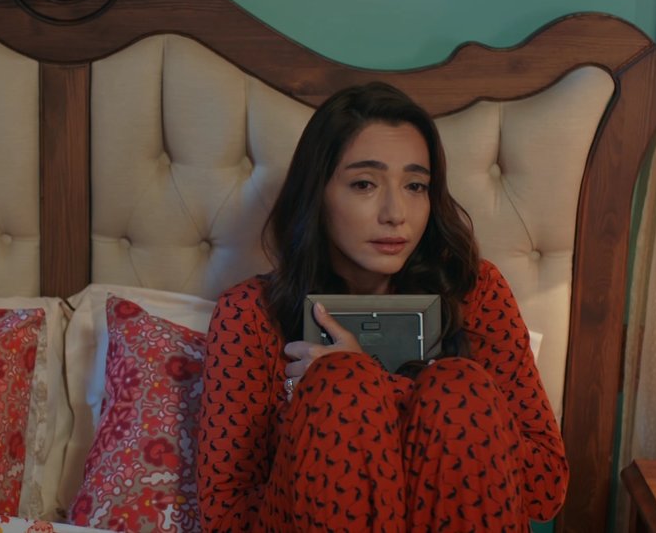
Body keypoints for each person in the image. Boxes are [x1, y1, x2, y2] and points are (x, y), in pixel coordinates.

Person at [196, 82, 568, 531]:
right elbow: (224, 516)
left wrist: (389, 389)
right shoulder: (249, 315)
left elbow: (546, 488)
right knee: (339, 386)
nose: (396, 213)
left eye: (415, 185)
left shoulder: (475, 291)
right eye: (364, 184)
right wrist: (328, 414)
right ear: (317, 194)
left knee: (459, 388)